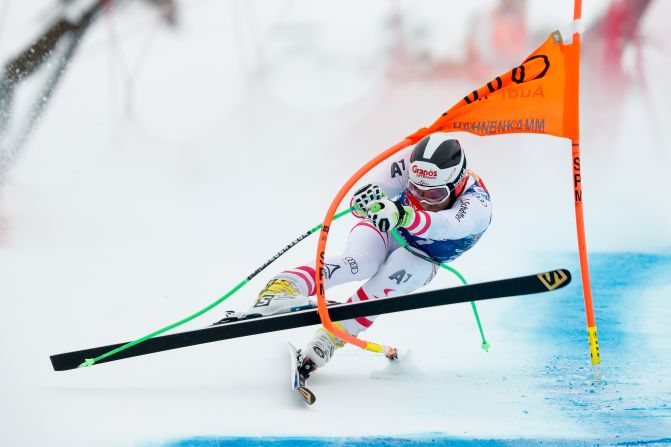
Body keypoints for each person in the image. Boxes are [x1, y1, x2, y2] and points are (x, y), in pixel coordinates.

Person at [243, 132, 492, 381]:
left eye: (435, 195)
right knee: (361, 262)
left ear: (457, 184)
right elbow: (363, 197)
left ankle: (327, 341)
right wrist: (365, 200)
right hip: (390, 226)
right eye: (415, 189)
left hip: (425, 255)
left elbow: (446, 225)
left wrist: (404, 214)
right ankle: (283, 287)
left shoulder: (478, 204)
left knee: (394, 277)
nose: (423, 200)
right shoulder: (408, 161)